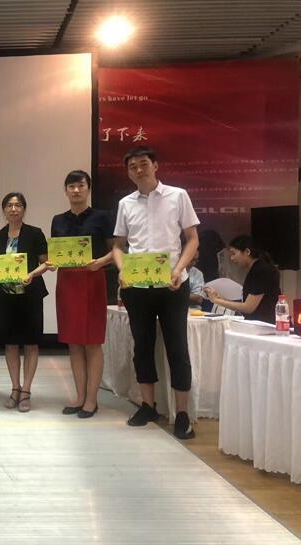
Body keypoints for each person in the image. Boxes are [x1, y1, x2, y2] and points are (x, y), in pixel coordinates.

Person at [113, 146, 199, 439]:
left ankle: (182, 413)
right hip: (137, 286)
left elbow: (192, 239)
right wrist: (122, 269)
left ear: (155, 166)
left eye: (144, 164)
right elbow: (118, 245)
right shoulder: (125, 204)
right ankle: (148, 405)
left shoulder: (178, 196)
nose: (139, 170)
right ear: (128, 172)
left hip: (173, 284)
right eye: (133, 166)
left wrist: (179, 268)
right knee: (142, 346)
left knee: (177, 347)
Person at [51, 171, 114, 418]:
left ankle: (91, 399)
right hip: (67, 282)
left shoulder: (102, 217)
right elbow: (55, 253)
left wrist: (101, 262)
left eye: (80, 185)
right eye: (71, 186)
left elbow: (117, 250)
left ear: (88, 188)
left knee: (92, 342)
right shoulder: (58, 220)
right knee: (74, 342)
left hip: (93, 280)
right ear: (65, 191)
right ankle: (79, 397)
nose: (76, 190)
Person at [0, 192, 49, 413]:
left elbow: (46, 263)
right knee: (11, 344)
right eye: (9, 205)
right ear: (4, 210)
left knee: (31, 343)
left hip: (30, 296)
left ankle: (26, 391)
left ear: (24, 209)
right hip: (6, 298)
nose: (13, 209)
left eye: (18, 205)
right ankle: (15, 388)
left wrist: (32, 273)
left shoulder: (35, 233)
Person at [203, 235, 280, 324]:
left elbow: (248, 308)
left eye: (233, 253)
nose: (232, 258)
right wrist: (221, 299)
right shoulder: (255, 269)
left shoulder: (262, 270)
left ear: (247, 252)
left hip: (264, 325)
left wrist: (217, 301)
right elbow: (245, 304)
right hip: (255, 323)